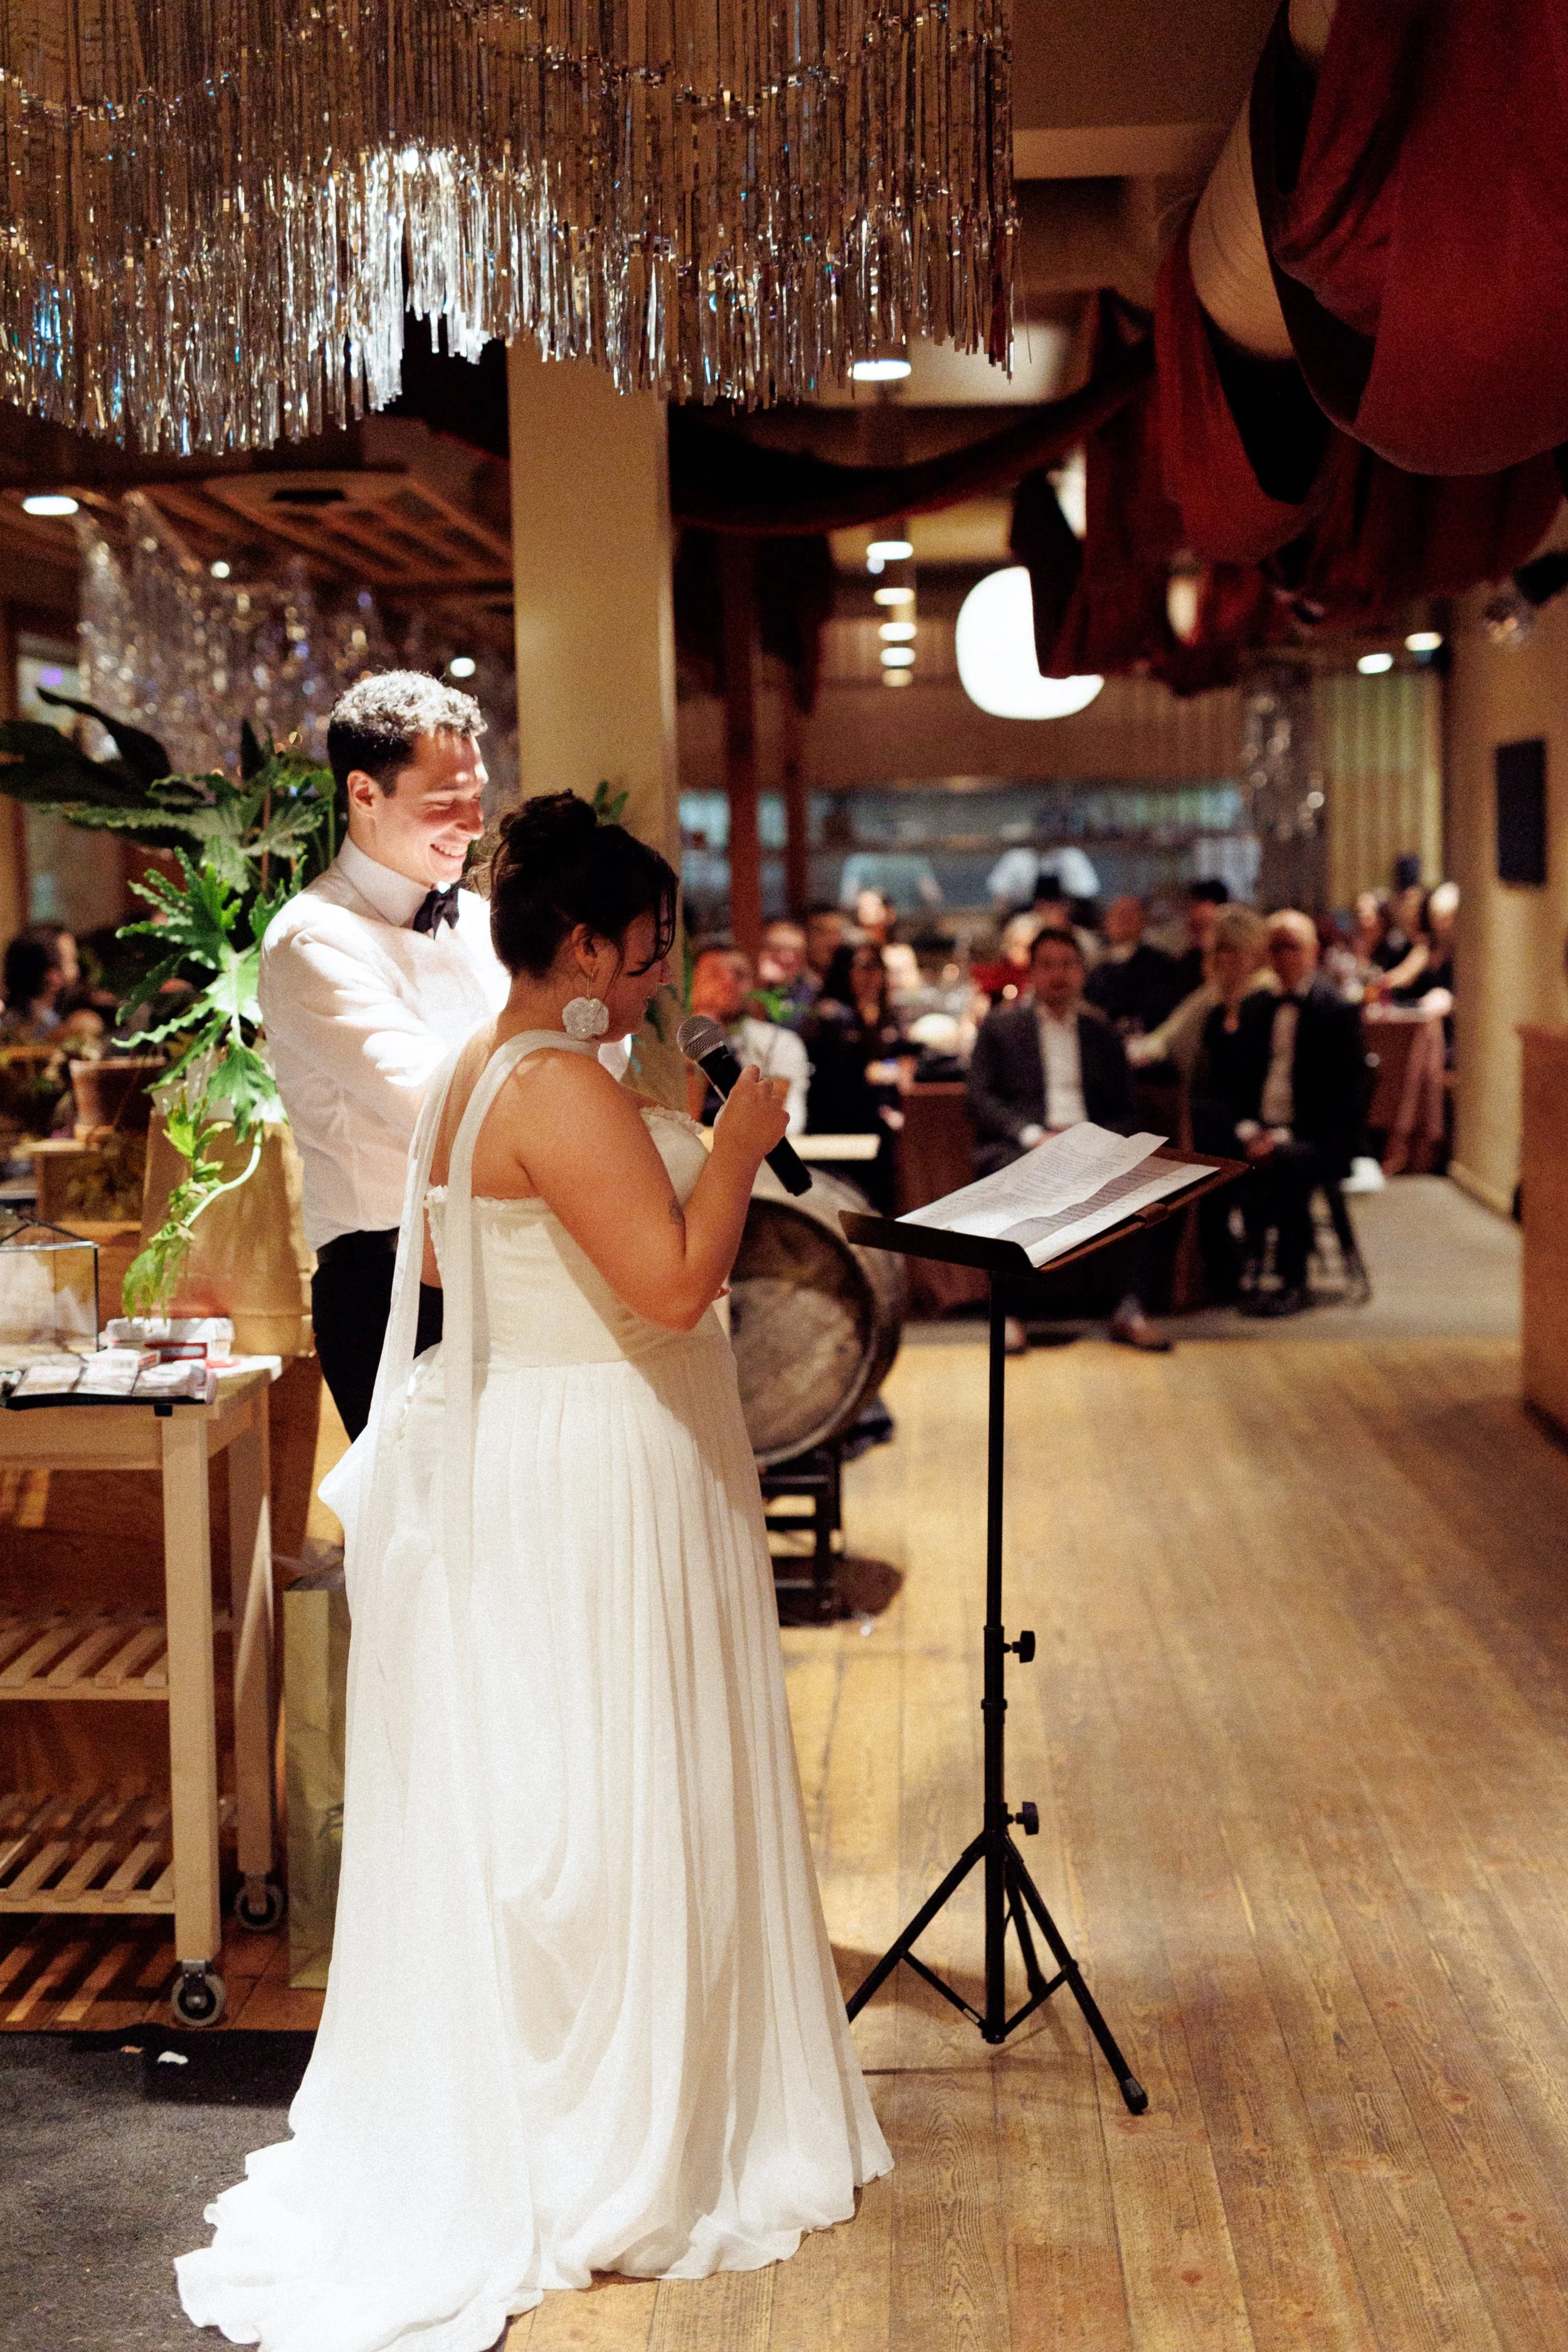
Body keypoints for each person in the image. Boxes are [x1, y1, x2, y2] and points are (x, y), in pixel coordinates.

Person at [177, 793, 889, 2348]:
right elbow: (677, 1277)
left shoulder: (480, 1066)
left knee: (567, 1775)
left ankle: (600, 2069)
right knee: (617, 1783)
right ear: (577, 942)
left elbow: (445, 1257)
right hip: (601, 1456)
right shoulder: (555, 1083)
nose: (654, 978)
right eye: (641, 952)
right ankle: (620, 2118)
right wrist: (742, 1143)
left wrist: (671, 1126)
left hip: (555, 1442)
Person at [257, 671, 512, 1438]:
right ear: (364, 795)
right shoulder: (314, 939)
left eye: (477, 795)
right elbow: (440, 1105)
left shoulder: (480, 921)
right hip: (391, 1280)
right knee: (420, 1545)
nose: (472, 824)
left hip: (504, 1261)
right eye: (443, 803)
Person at [965, 925, 1172, 1353]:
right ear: (1032, 972)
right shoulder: (1002, 1028)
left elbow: (1128, 1110)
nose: (1059, 975)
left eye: (1068, 965)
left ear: (1082, 972)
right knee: (1007, 1179)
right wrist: (1033, 1135)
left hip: (1092, 1144)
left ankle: (1129, 1309)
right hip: (1025, 1144)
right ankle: (1009, 1313)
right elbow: (980, 1099)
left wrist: (1089, 1140)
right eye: (1049, 965)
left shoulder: (1102, 1033)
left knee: (1148, 1182)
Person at [1232, 909, 1367, 1316]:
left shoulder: (1336, 1010)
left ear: (1312, 952)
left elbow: (1345, 1098)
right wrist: (1250, 1130)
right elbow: (1238, 1081)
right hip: (1261, 1128)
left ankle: (1293, 1281)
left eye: (1291, 946)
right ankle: (1224, 1271)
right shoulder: (1255, 1006)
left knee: (1287, 1164)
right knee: (1206, 1148)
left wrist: (1282, 1137)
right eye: (1274, 947)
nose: (1282, 956)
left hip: (1318, 1137)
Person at [1187, 908, 1272, 1299]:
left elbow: (1267, 1080)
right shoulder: (1216, 1009)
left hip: (1258, 1117)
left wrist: (1253, 1123)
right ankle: (1213, 1267)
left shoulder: (1267, 1003)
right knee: (1194, 1147)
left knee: (1206, 1156)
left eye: (1236, 951)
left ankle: (1224, 1267)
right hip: (1221, 1119)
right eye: (1221, 951)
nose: (1228, 960)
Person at [800, 940, 908, 1209]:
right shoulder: (835, 1016)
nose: (874, 976)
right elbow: (843, 1087)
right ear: (845, 970)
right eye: (865, 968)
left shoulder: (876, 1013)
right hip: (837, 1129)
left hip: (867, 1120)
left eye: (878, 967)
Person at [688, 940, 810, 1132]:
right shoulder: (670, 1047)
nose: (728, 984)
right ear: (693, 986)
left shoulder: (780, 1044)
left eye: (739, 975)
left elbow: (790, 1124)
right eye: (714, 975)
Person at [1084, 896, 1180, 1036]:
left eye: (1131, 914)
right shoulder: (1094, 967)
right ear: (1107, 921)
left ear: (1143, 921)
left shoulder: (1161, 964)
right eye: (1119, 914)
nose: (1124, 920)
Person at [0, 923, 76, 1039]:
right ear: (51, 974)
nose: (77, 969)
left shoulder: (66, 1014)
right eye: (71, 960)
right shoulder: (11, 1025)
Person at [1168, 879, 1230, 1002]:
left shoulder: (1232, 959)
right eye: (1189, 909)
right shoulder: (1187, 962)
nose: (1191, 917)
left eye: (1196, 906)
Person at [757, 918, 815, 1023]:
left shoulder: (811, 992)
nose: (789, 958)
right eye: (779, 950)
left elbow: (790, 1024)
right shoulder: (751, 987)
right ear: (764, 953)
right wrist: (762, 983)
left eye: (796, 951)